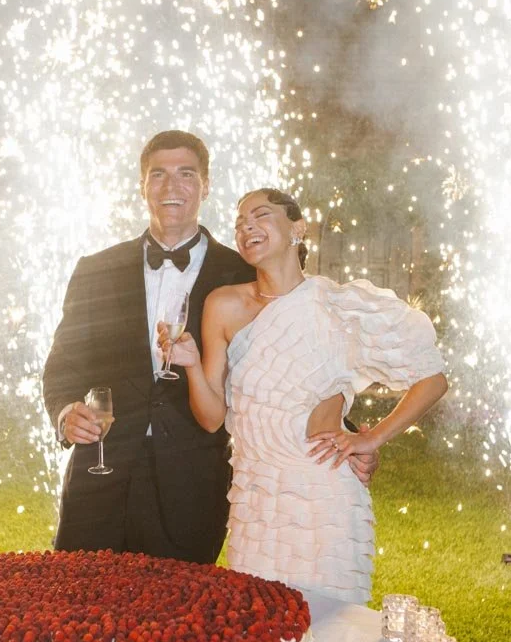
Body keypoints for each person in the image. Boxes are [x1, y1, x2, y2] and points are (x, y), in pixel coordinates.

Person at [42, 132, 375, 564]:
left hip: (191, 486)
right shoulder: (95, 270)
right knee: (77, 610)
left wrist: (349, 434)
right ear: (142, 185)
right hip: (99, 478)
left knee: (180, 622)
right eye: (158, 174)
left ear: (205, 185)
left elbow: (301, 359)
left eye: (186, 174)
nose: (171, 186)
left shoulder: (244, 272)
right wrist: (66, 413)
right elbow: (63, 365)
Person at [160, 187, 448, 601]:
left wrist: (371, 438)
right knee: (259, 634)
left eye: (260, 215)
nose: (247, 227)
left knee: (332, 635)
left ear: (298, 228)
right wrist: (189, 364)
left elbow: (431, 378)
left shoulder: (338, 304)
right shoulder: (223, 305)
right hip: (255, 495)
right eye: (240, 223)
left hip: (324, 495)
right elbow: (211, 418)